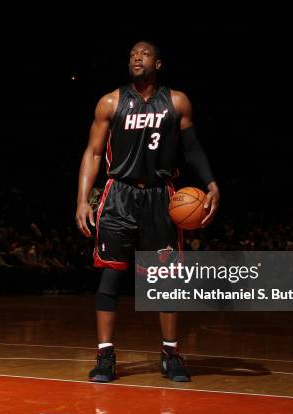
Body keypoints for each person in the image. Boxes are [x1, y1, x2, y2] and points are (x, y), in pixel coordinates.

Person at [75, 41, 220, 382]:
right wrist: (83, 199)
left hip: (160, 196)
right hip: (119, 195)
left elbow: (192, 147)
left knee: (165, 280)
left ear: (159, 62)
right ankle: (105, 356)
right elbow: (94, 153)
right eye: (131, 54)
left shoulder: (177, 101)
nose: (136, 57)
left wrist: (211, 182)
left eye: (144, 53)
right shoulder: (110, 102)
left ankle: (170, 354)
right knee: (111, 276)